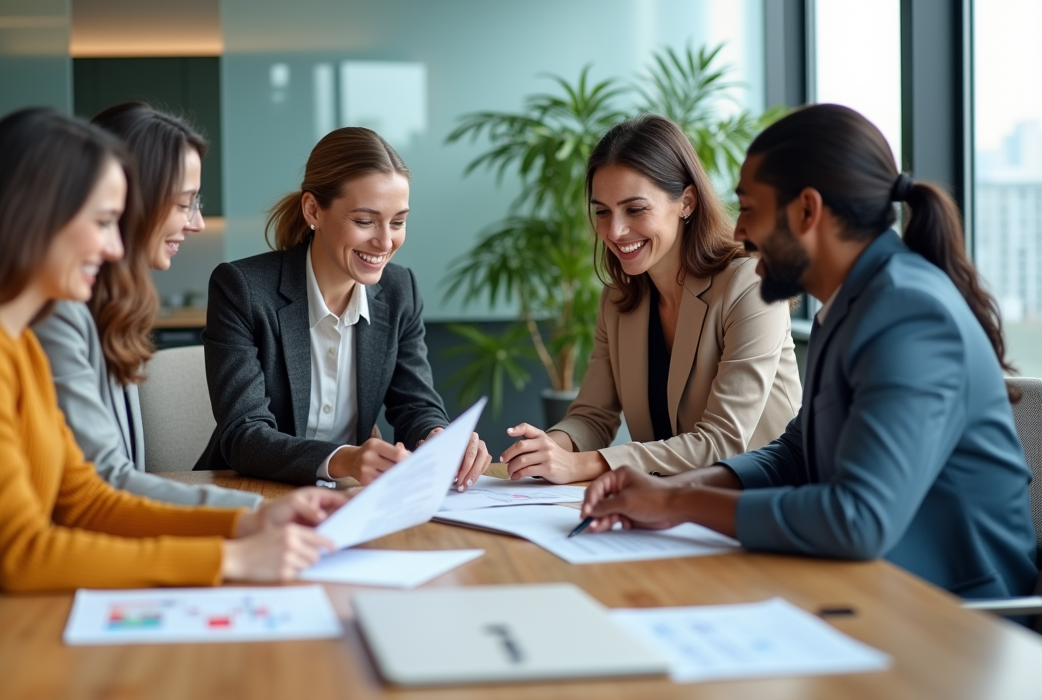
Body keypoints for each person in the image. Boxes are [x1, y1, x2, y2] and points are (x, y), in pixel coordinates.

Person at [0, 109, 345, 653]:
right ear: (32, 218)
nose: (113, 248)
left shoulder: (16, 343)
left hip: (13, 633)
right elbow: (22, 554)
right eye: (104, 222)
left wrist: (250, 524)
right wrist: (230, 558)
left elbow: (87, 500)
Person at [579, 104, 1039, 600]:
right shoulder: (849, 305)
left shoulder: (908, 312)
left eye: (750, 209)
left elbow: (858, 518)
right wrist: (673, 490)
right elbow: (797, 453)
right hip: (877, 587)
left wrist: (680, 505)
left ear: (806, 211)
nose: (738, 233)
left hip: (961, 613)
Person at [500, 115, 802, 484]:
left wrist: (584, 465)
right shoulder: (618, 298)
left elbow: (723, 442)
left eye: (635, 209)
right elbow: (593, 416)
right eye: (602, 212)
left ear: (686, 202)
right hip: (668, 505)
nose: (614, 231)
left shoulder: (750, 283)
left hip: (764, 503)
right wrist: (549, 448)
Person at [195, 127, 491, 487]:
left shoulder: (401, 291)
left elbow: (415, 405)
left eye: (398, 221)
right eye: (365, 221)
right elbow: (244, 435)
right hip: (251, 492)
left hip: (349, 499)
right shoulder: (242, 289)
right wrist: (343, 458)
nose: (385, 241)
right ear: (313, 210)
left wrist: (439, 438)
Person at [33, 102, 262, 509]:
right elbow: (105, 485)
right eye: (183, 203)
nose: (197, 223)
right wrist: (254, 512)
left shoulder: (110, 311)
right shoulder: (57, 316)